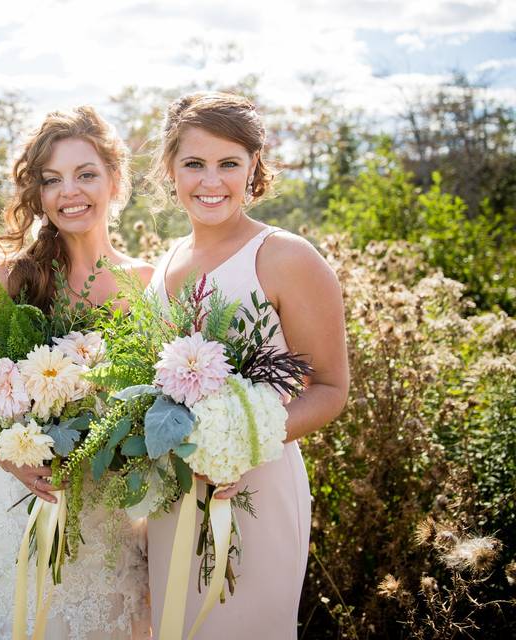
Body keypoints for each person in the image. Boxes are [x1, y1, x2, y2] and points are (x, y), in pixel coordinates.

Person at [145, 92, 350, 637]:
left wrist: (236, 441)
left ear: (253, 167)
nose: (211, 181)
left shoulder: (287, 257)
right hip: (174, 494)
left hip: (256, 489)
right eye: (194, 163)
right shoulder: (164, 264)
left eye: (228, 164)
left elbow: (329, 388)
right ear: (170, 169)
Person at [0, 106, 153, 640]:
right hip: (23, 500)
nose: (70, 192)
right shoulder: (10, 279)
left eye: (86, 174)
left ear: (115, 181)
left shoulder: (149, 283)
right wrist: (13, 461)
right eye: (52, 180)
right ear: (38, 193)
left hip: (109, 518)